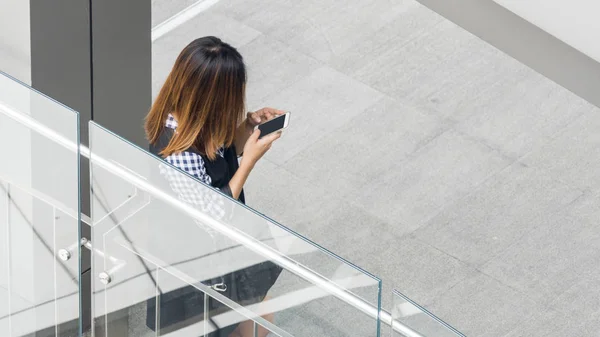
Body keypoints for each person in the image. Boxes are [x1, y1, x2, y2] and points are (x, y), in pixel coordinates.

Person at [144, 36, 283, 337]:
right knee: (251, 324)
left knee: (260, 318)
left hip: (221, 254)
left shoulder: (195, 118)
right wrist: (249, 163)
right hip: (197, 265)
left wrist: (247, 129)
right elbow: (212, 214)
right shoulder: (178, 152)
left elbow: (219, 154)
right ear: (213, 97)